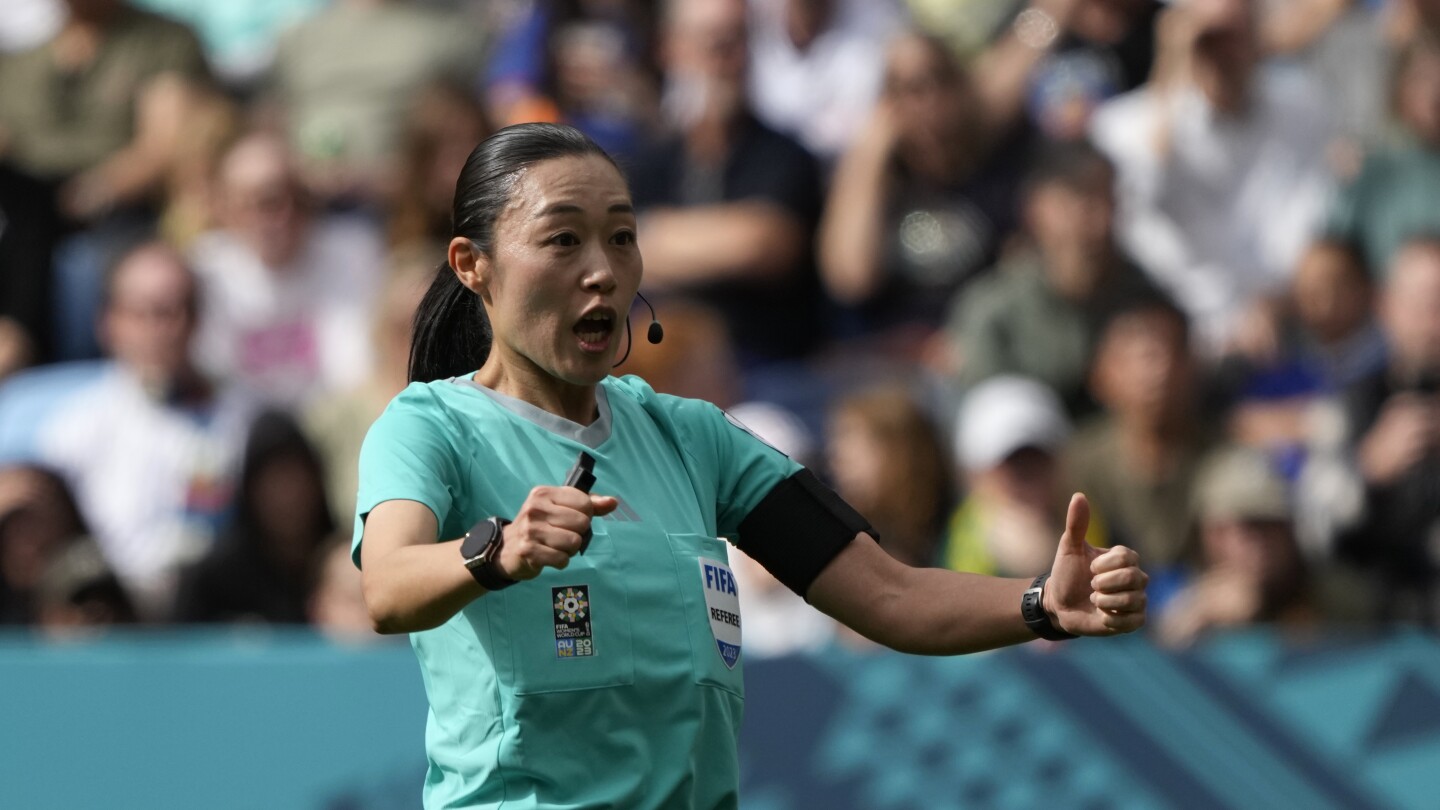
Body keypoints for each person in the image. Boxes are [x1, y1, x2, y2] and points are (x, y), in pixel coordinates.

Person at [354, 122, 1148, 809]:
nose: (602, 269)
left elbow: (890, 593)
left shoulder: (695, 438)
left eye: (622, 237)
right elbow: (388, 590)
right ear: (472, 264)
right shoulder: (430, 425)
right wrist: (496, 551)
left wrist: (1041, 603)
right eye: (562, 239)